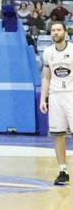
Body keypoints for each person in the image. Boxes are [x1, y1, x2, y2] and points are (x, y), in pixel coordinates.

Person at [41, 20, 73, 185]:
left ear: (65, 33)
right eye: (53, 30)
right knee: (58, 135)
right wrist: (43, 98)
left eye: (58, 30)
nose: (55, 32)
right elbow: (47, 77)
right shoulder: (47, 52)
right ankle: (63, 171)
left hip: (71, 94)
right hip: (55, 96)